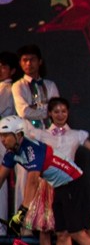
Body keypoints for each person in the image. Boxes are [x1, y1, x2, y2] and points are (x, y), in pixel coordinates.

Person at [0, 116, 90, 245]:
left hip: (75, 183)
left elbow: (33, 181)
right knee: (61, 233)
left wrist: (22, 211)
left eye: (6, 135)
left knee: (76, 232)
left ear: (18, 135)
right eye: (1, 136)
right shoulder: (12, 153)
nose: (2, 140)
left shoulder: (31, 149)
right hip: (60, 187)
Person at [34, 97, 90, 245]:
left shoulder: (76, 135)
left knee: (74, 229)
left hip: (71, 185)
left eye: (63, 111)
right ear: (50, 114)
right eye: (56, 111)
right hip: (48, 184)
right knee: (47, 227)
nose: (60, 115)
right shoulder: (41, 135)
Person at [10, 45, 58, 232]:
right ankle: (23, 230)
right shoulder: (18, 86)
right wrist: (45, 110)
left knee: (49, 184)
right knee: (25, 184)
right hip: (27, 140)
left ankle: (48, 227)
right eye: (24, 60)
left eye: (32, 60)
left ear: (40, 62)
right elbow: (24, 111)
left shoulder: (50, 85)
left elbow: (56, 110)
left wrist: (41, 110)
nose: (29, 64)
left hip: (48, 139)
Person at [0, 51, 17, 233]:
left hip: (3, 137)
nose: (0, 70)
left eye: (4, 67)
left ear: (12, 70)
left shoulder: (6, 88)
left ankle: (1, 228)